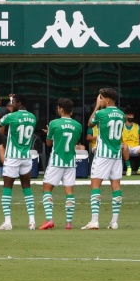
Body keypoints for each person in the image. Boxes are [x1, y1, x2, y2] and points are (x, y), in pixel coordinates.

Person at [0, 93, 37, 230]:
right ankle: (32, 221)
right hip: (26, 156)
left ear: (19, 103)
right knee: (27, 187)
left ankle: (7, 222)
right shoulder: (32, 117)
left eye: (14, 102)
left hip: (12, 157)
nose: (12, 104)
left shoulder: (11, 116)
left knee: (7, 187)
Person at [82, 88, 124, 230]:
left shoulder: (101, 112)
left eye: (100, 98)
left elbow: (90, 123)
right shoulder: (121, 114)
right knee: (116, 186)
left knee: (95, 185)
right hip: (116, 154)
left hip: (103, 154)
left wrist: (97, 106)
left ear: (106, 100)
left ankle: (94, 220)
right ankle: (115, 221)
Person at [39, 98, 82, 230]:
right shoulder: (78, 125)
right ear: (72, 111)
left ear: (61, 109)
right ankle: (68, 223)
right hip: (70, 161)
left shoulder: (54, 123)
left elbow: (48, 143)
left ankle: (49, 220)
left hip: (57, 160)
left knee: (47, 189)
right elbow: (74, 142)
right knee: (69, 192)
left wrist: (50, 135)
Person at [121, 108, 140, 176]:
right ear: (125, 116)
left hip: (136, 147)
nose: (131, 116)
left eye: (132, 115)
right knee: (124, 146)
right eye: (129, 115)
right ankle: (129, 168)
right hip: (126, 147)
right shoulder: (122, 126)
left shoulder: (137, 126)